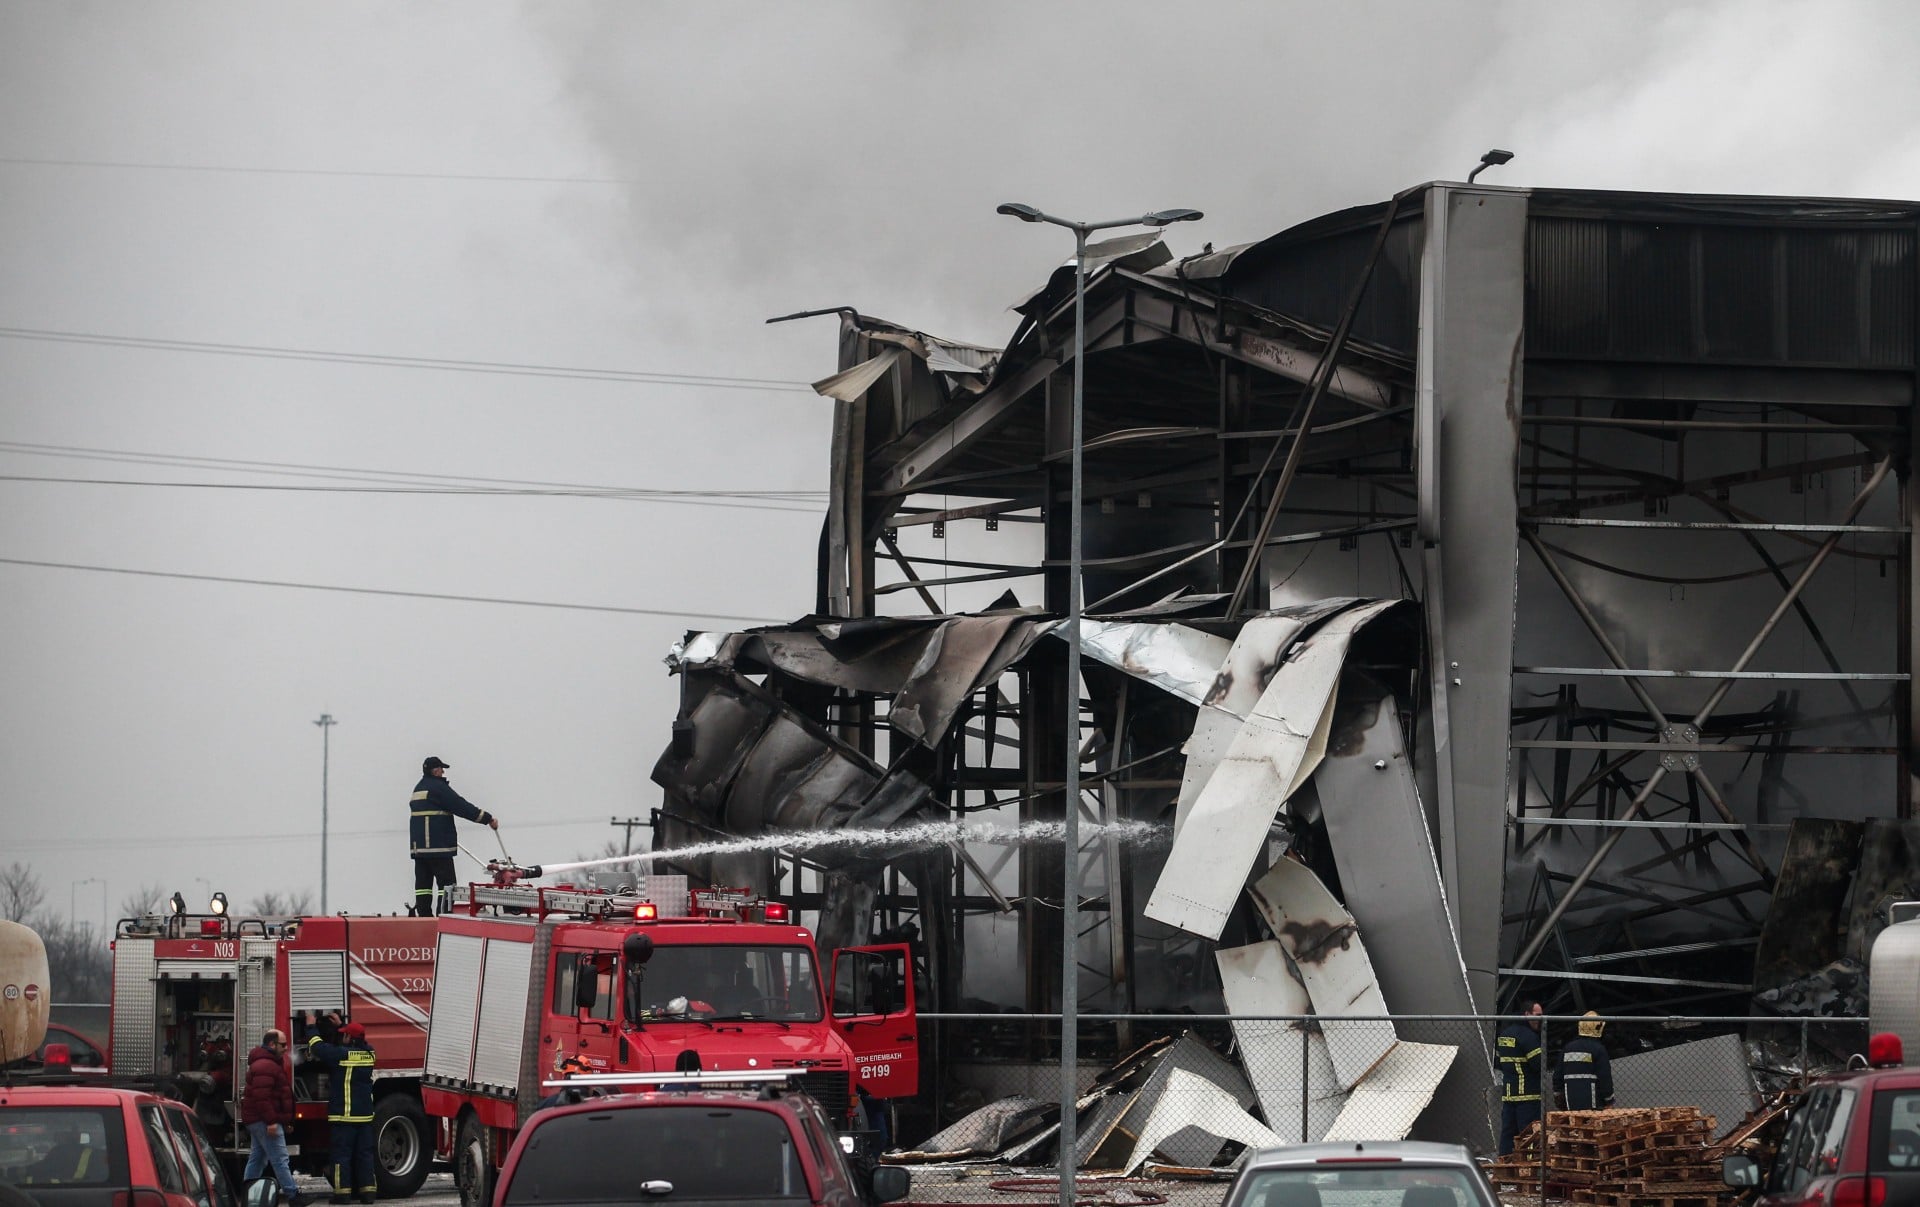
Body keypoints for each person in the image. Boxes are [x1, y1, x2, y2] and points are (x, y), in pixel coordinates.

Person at [409, 756, 498, 916]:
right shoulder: (439, 788)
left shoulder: (418, 789)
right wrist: (487, 818)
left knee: (423, 886)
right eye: (441, 769)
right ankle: (442, 918)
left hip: (419, 849)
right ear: (435, 770)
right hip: (439, 848)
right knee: (447, 886)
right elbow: (461, 806)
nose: (443, 772)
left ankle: (423, 919)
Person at [306, 1014, 377, 1205]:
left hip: (345, 1117)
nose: (342, 1037)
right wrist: (343, 1026)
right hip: (364, 1117)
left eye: (345, 1034)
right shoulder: (370, 1054)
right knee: (364, 1156)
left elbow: (317, 1047)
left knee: (341, 1156)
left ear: (349, 1039)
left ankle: (342, 1194)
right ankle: (368, 1193)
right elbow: (360, 1042)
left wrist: (311, 1026)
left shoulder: (341, 1055)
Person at [242, 1029, 306, 1206]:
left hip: (258, 1119)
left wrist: (285, 1121)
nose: (286, 1048)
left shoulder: (266, 1063)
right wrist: (271, 1121)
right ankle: (293, 1195)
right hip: (264, 1120)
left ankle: (247, 1193)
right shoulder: (266, 1065)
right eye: (283, 1044)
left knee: (257, 1158)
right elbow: (262, 1098)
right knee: (280, 1158)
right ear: (272, 1044)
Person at [1496, 1001, 1545, 1156]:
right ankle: (1529, 1166)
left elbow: (1499, 1062)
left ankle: (1505, 1165)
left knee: (1508, 1133)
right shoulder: (1528, 1036)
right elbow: (1539, 1064)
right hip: (1528, 1095)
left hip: (1509, 1094)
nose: (1541, 1019)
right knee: (1529, 1133)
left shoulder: (1504, 1035)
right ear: (1527, 1014)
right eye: (1538, 1015)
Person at [1557, 1010, 1615, 1111]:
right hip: (1593, 1101)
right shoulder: (1598, 1049)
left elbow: (1558, 1074)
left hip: (1570, 1099)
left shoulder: (1567, 1048)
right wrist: (1609, 1100)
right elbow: (1604, 1076)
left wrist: (1558, 1095)